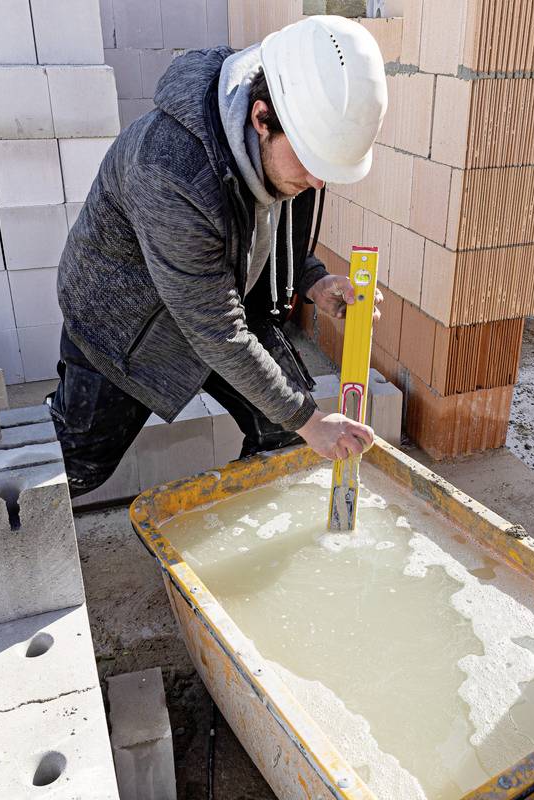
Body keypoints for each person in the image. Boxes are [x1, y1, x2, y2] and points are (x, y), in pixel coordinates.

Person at [52, 16, 390, 497]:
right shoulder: (170, 171)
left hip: (215, 298)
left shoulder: (283, 134)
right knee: (78, 468)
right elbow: (215, 328)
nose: (318, 183)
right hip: (125, 326)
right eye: (313, 163)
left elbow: (262, 227)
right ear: (260, 117)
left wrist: (312, 278)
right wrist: (311, 422)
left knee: (280, 430)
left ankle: (226, 543)